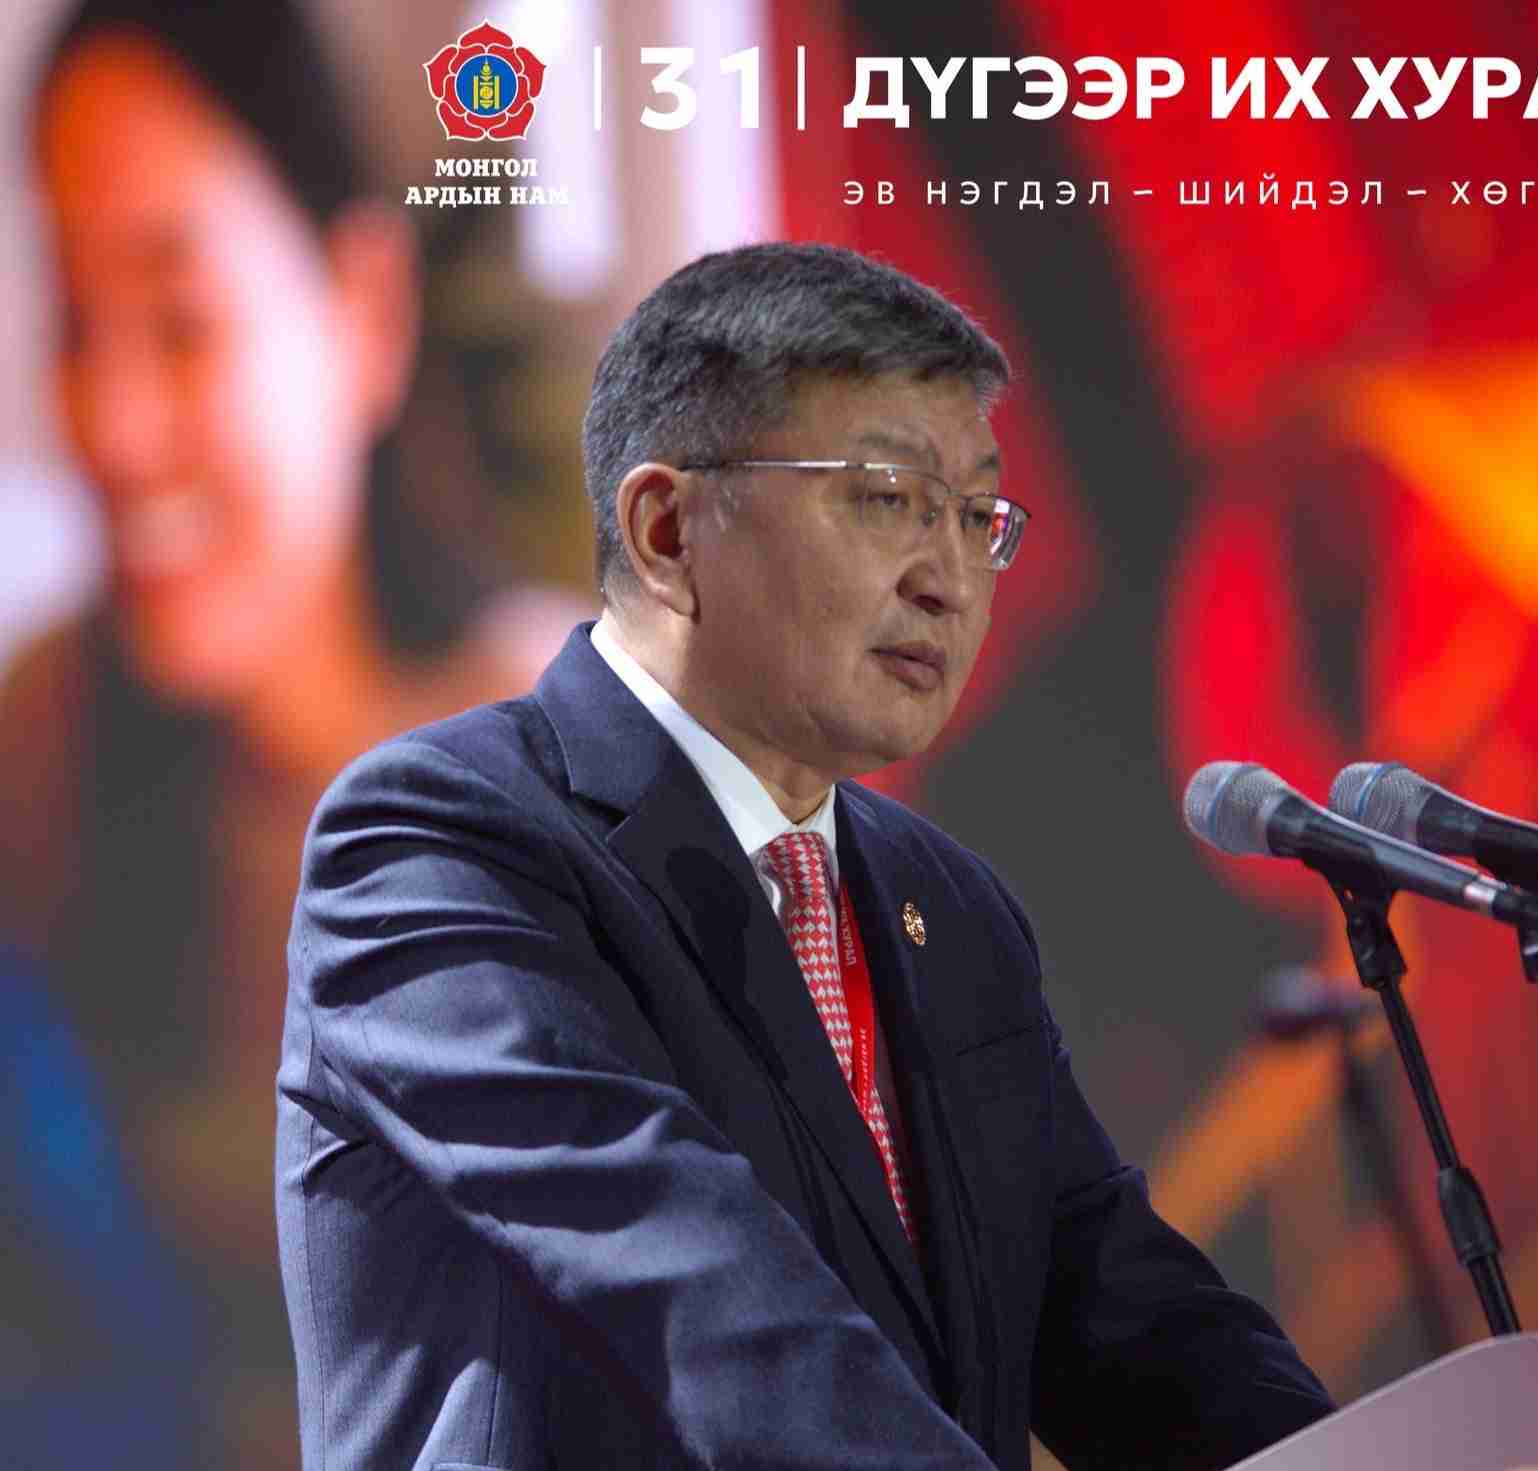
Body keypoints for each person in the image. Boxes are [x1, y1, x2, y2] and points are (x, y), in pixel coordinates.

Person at [277, 242, 1334, 1469]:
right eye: (886, 500)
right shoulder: (436, 841)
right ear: (668, 530)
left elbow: (1134, 1319)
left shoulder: (949, 904)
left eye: (975, 515)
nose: (949, 578)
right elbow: (703, 1298)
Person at [2, 2, 567, 1460]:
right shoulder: (48, 735)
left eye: (182, 323)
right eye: (76, 322)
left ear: (363, 312)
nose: (112, 424)